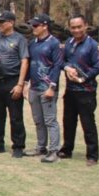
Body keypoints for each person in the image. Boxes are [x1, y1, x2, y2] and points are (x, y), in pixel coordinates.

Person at [0, 10, 29, 158]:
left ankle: (18, 146)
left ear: (11, 23)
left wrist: (20, 84)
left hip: (13, 80)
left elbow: (24, 61)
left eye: (2, 22)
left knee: (15, 116)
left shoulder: (20, 39)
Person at [60, 14, 99, 166]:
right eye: (73, 27)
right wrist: (66, 68)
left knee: (88, 123)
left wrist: (84, 78)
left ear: (85, 26)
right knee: (68, 122)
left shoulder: (92, 45)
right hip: (70, 90)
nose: (76, 30)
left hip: (86, 91)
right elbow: (62, 60)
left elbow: (98, 67)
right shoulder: (69, 43)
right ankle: (66, 149)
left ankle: (92, 155)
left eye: (79, 27)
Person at [25, 14, 64, 163]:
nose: (33, 28)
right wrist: (26, 83)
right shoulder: (32, 43)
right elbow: (30, 64)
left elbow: (57, 66)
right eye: (32, 26)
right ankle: (41, 147)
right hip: (34, 87)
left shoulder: (54, 43)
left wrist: (52, 87)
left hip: (47, 87)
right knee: (38, 120)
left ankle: (54, 150)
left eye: (36, 26)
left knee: (50, 120)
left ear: (45, 26)